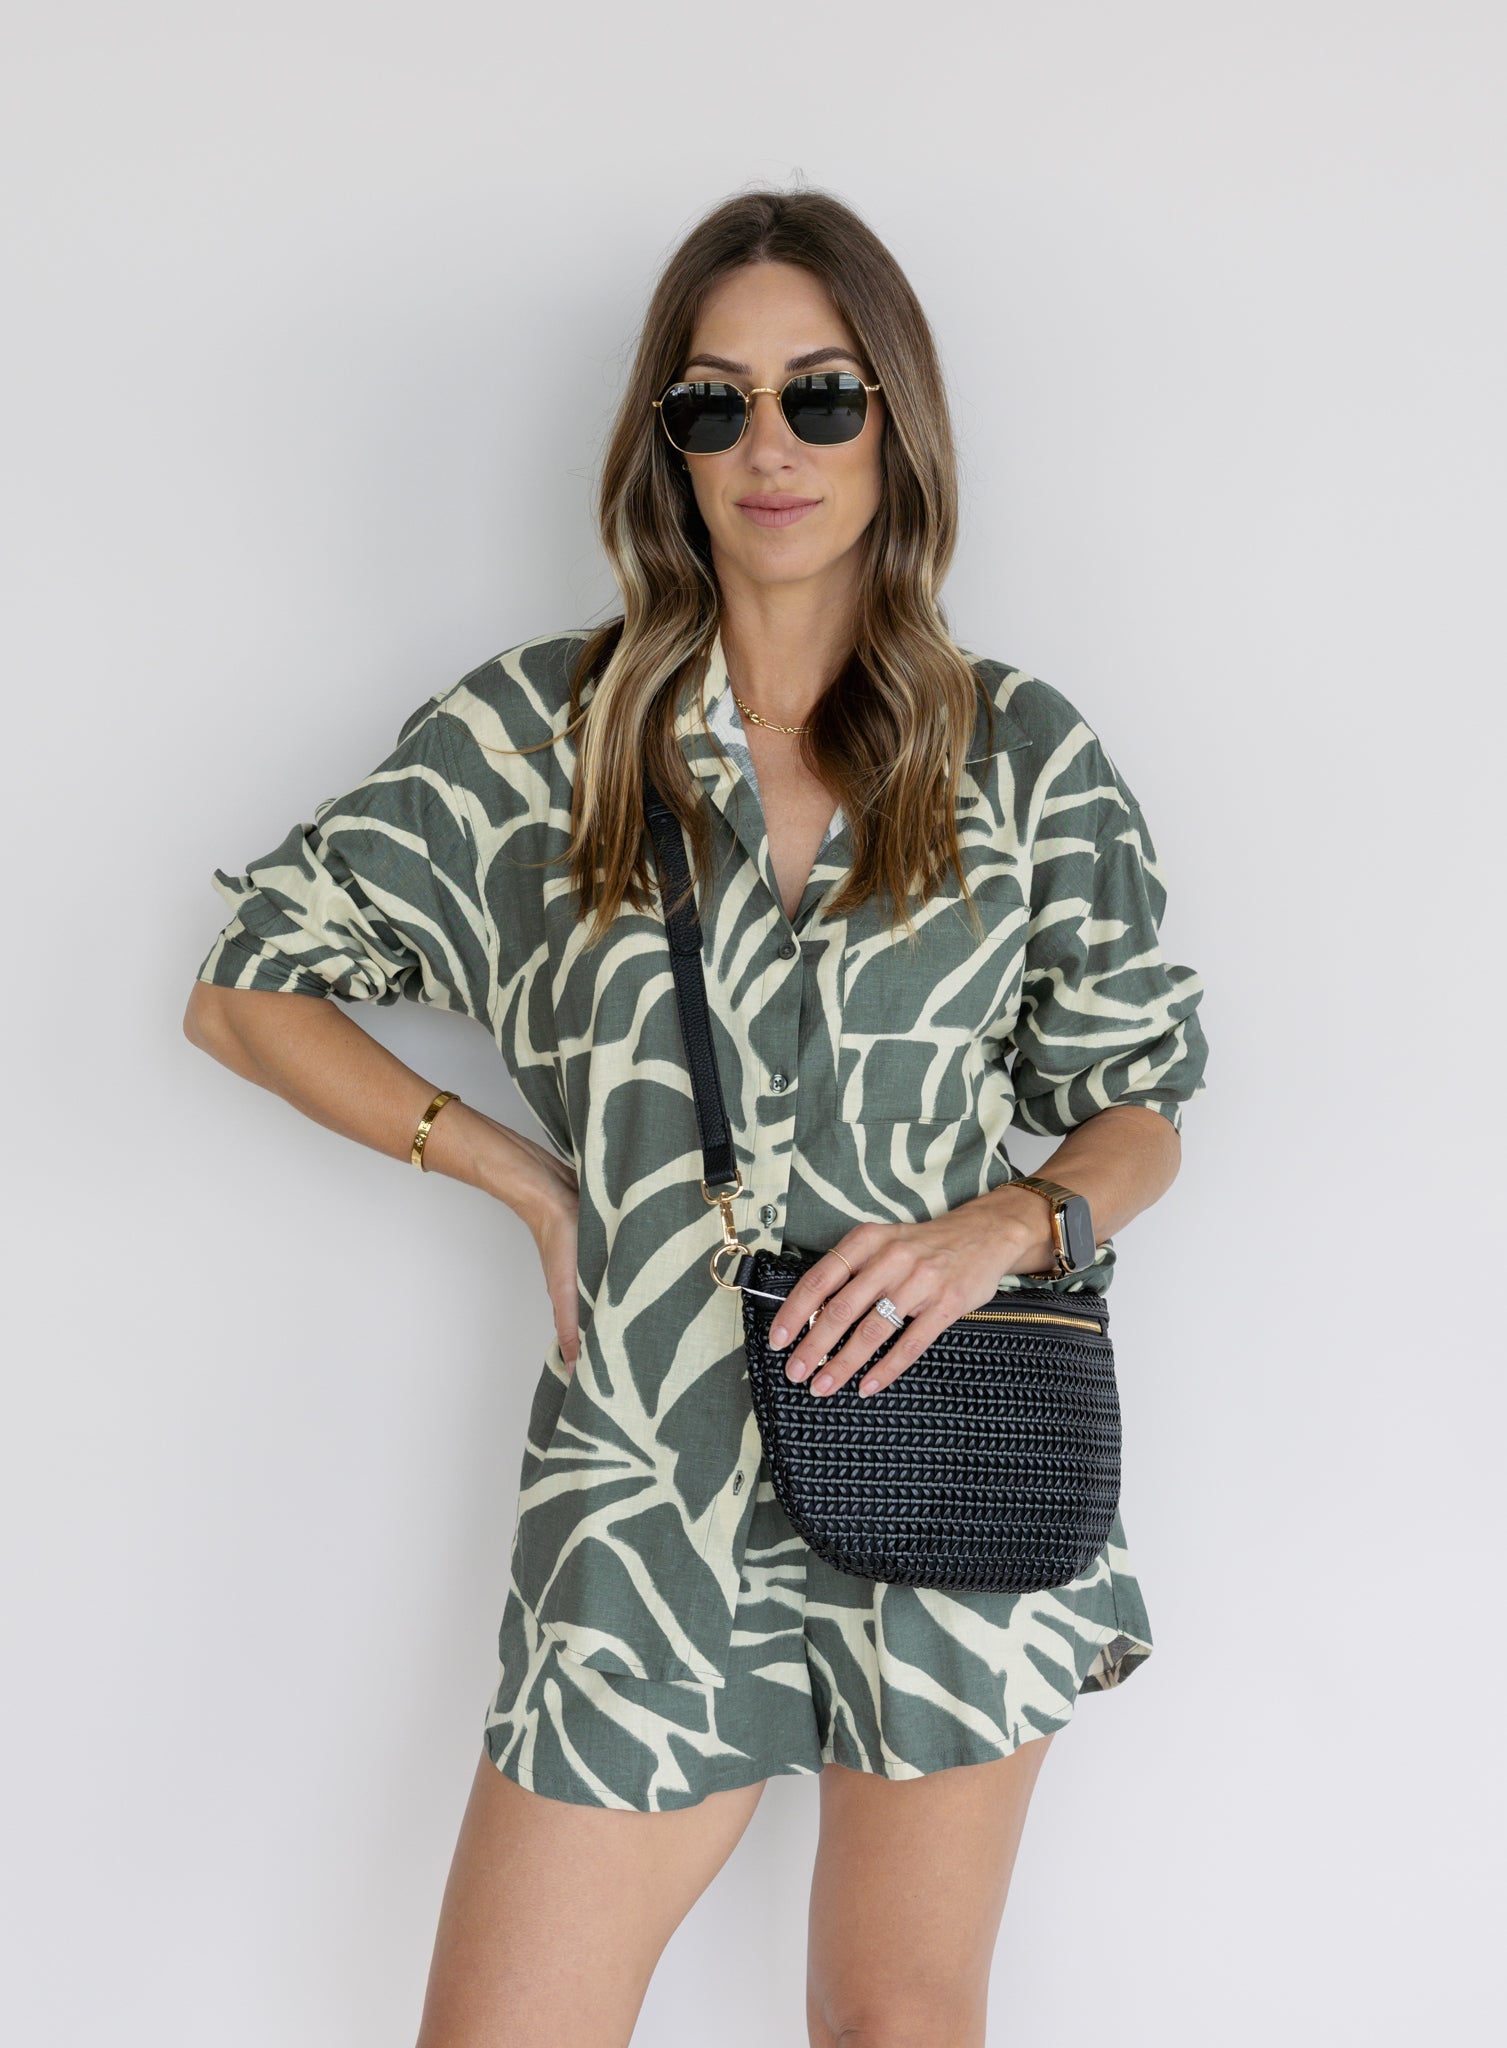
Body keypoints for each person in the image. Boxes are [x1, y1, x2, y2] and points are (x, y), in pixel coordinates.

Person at [184, 187, 1210, 2048]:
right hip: (647, 1468)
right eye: (713, 403)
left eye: (821, 395)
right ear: (665, 442)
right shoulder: (540, 740)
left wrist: (1007, 1225)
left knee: (897, 2021)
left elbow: (1138, 1101)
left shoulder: (1021, 755)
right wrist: (518, 1176)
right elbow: (247, 987)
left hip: (948, 1432)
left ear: (894, 421)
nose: (769, 446)